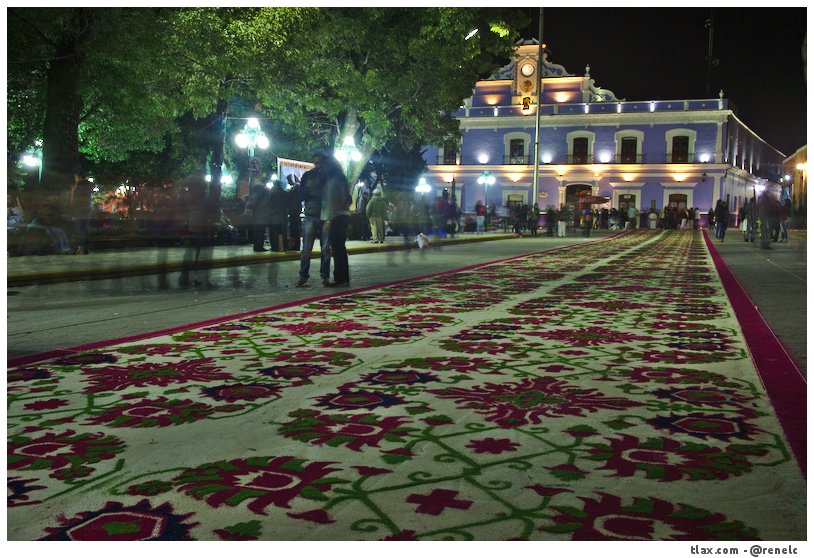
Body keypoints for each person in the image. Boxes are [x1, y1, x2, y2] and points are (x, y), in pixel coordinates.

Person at [295, 154, 331, 287]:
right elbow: (300, 196)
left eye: (320, 163)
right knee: (306, 248)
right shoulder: (308, 176)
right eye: (316, 163)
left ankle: (325, 277)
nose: (318, 166)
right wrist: (308, 187)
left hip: (325, 215)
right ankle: (303, 276)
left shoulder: (328, 177)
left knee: (325, 249)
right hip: (311, 214)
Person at [320, 152, 352, 287]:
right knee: (340, 248)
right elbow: (347, 199)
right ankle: (344, 278)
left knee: (337, 248)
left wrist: (329, 220)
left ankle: (339, 278)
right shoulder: (341, 180)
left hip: (336, 217)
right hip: (343, 215)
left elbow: (332, 202)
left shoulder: (332, 182)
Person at [179, 180, 216, 287]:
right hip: (198, 231)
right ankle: (195, 279)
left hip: (196, 231)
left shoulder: (191, 200)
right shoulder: (200, 200)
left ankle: (187, 279)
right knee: (198, 257)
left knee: (192, 256)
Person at [69, 179, 94, 254]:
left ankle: (81, 247)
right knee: (84, 229)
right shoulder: (87, 188)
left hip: (80, 212)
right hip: (85, 212)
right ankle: (84, 248)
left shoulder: (78, 188)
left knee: (79, 230)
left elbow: (74, 201)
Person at [246, 183, 271, 252]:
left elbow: (250, 205)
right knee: (261, 232)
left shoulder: (255, 194)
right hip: (262, 216)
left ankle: (256, 246)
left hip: (256, 215)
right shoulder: (265, 194)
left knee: (257, 231)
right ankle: (259, 247)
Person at [266, 178, 289, 252]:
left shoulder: (271, 193)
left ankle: (275, 247)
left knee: (274, 233)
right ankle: (284, 247)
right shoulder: (285, 193)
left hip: (274, 216)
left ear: (274, 184)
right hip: (283, 216)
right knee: (283, 233)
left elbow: (268, 204)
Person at [286, 174, 302, 251]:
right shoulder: (297, 186)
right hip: (295, 210)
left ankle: (295, 246)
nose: (288, 182)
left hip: (294, 211)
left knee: (294, 229)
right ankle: (295, 245)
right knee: (294, 229)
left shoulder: (296, 186)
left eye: (288, 180)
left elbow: (291, 196)